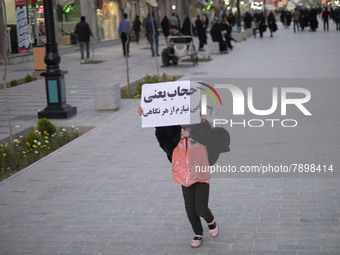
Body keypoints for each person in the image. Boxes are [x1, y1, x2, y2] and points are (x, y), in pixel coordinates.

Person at [137, 105, 230, 248]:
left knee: (201, 208)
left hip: (200, 172)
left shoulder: (200, 126)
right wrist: (147, 114)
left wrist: (201, 116)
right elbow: (161, 133)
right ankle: (198, 233)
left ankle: (211, 220)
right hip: (184, 174)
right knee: (190, 209)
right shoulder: (172, 133)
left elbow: (207, 134)